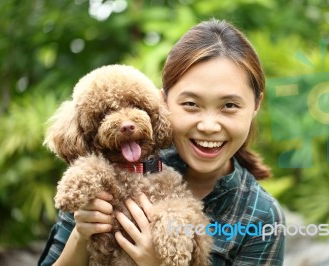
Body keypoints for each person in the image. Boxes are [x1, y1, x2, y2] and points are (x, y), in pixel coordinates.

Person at [38, 19, 285, 266]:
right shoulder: (113, 164)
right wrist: (81, 235)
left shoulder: (260, 217)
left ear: (256, 105)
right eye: (191, 104)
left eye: (229, 105)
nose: (209, 126)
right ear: (162, 101)